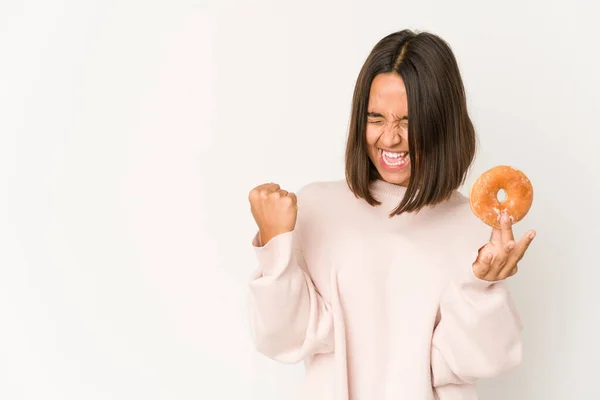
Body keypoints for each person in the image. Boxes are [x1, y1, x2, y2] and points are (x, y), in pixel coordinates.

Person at [245, 29, 536, 400]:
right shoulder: (316, 207)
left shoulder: (474, 226)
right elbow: (283, 339)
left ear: (441, 123)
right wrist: (275, 245)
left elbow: (483, 361)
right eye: (376, 117)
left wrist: (480, 287)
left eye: (407, 121)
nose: (390, 138)